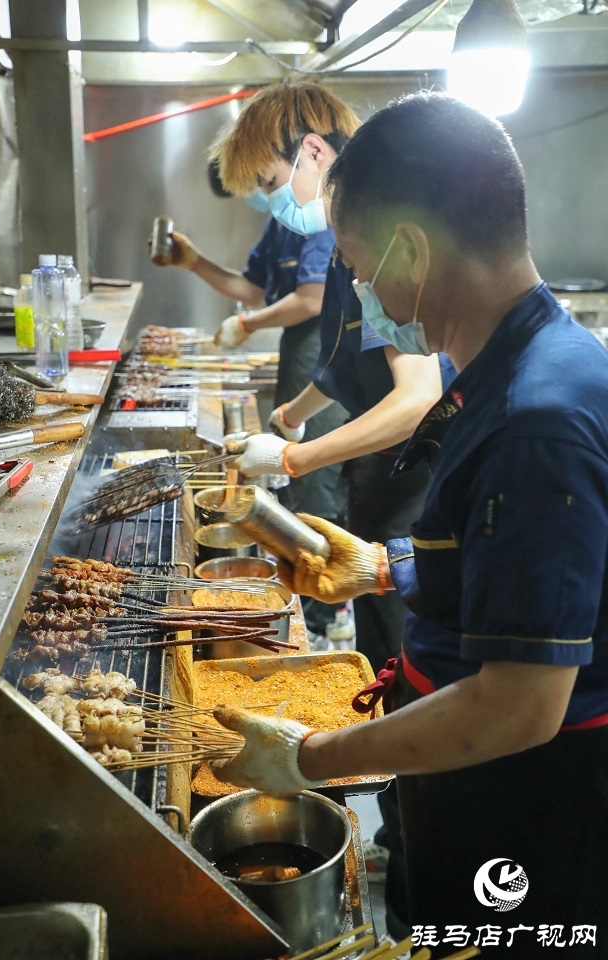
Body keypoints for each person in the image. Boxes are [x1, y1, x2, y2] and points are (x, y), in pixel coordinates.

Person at [211, 91, 608, 959]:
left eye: (357, 264)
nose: (362, 291)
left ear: (413, 249)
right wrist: (390, 568)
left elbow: (519, 704)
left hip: (521, 804)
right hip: (469, 784)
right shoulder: (511, 370)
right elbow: (522, 573)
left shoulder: (536, 416)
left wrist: (312, 758)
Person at [211, 79, 455, 936]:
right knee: (393, 654)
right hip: (381, 477)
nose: (282, 205)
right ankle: (405, 814)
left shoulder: (387, 239)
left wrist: (299, 456)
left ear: (314, 152)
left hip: (422, 482)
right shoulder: (355, 243)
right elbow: (349, 364)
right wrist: (291, 417)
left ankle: (410, 828)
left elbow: (416, 393)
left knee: (410, 656)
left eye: (276, 180)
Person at [157, 169, 349, 640]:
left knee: (315, 492)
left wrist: (247, 326)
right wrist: (194, 262)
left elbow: (310, 299)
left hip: (319, 355)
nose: (265, 197)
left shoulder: (321, 220)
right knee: (301, 488)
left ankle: (324, 619)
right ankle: (316, 604)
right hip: (301, 360)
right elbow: (255, 289)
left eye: (266, 182)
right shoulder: (281, 224)